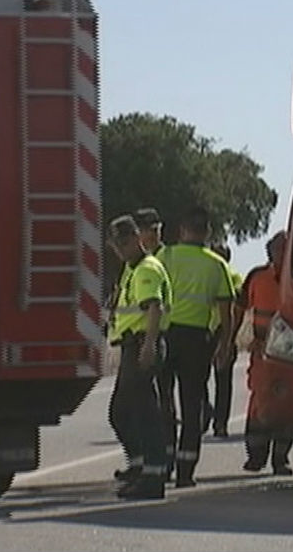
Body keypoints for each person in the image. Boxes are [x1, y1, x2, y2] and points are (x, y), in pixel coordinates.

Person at [154, 207, 236, 487]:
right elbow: (226, 313)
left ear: (181, 230)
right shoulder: (217, 265)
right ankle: (186, 472)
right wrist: (225, 345)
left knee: (164, 401)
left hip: (166, 336)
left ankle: (163, 463)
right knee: (192, 405)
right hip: (196, 340)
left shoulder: (165, 256)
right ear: (208, 232)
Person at [104, 214, 171, 500]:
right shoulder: (131, 269)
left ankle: (153, 477)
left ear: (136, 238)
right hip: (132, 344)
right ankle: (140, 466)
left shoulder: (147, 269)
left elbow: (154, 308)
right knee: (121, 412)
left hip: (143, 343)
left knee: (144, 414)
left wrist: (149, 346)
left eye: (124, 243)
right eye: (116, 246)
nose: (120, 250)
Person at [240, 231, 293, 475]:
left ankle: (280, 459)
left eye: (286, 249)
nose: (282, 253)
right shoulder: (257, 277)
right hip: (262, 350)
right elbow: (240, 308)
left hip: (291, 353)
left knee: (286, 402)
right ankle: (256, 456)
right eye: (279, 249)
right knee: (259, 401)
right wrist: (238, 340)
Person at [206, 243, 242, 437]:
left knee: (220, 379)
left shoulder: (233, 277)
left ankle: (219, 422)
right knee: (205, 379)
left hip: (221, 329)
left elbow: (237, 306)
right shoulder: (206, 275)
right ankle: (210, 415)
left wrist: (229, 338)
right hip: (207, 329)